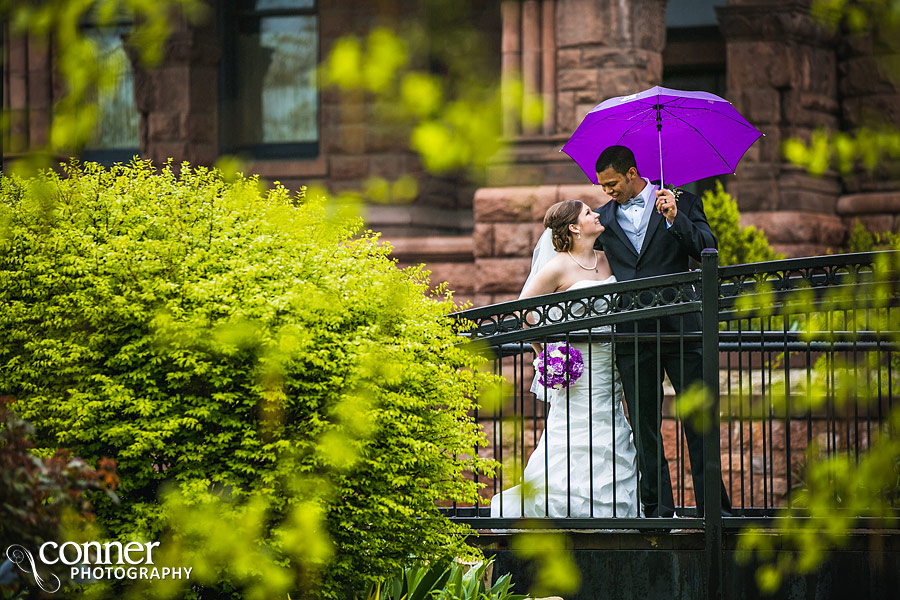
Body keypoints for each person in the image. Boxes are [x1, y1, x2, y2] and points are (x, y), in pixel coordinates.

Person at [592, 144, 731, 518]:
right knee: (645, 428)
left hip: (682, 328)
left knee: (699, 421)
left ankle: (714, 511)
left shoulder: (683, 202)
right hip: (632, 334)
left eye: (612, 183)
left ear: (632, 173)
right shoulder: (601, 220)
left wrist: (674, 220)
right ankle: (656, 510)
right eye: (602, 185)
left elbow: (708, 249)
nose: (607, 191)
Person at [489, 199, 640, 518]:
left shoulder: (606, 261)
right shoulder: (557, 266)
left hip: (606, 365)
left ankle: (612, 509)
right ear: (573, 227)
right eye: (588, 213)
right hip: (575, 369)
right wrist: (545, 353)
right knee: (572, 428)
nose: (597, 214)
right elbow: (523, 312)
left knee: (610, 423)